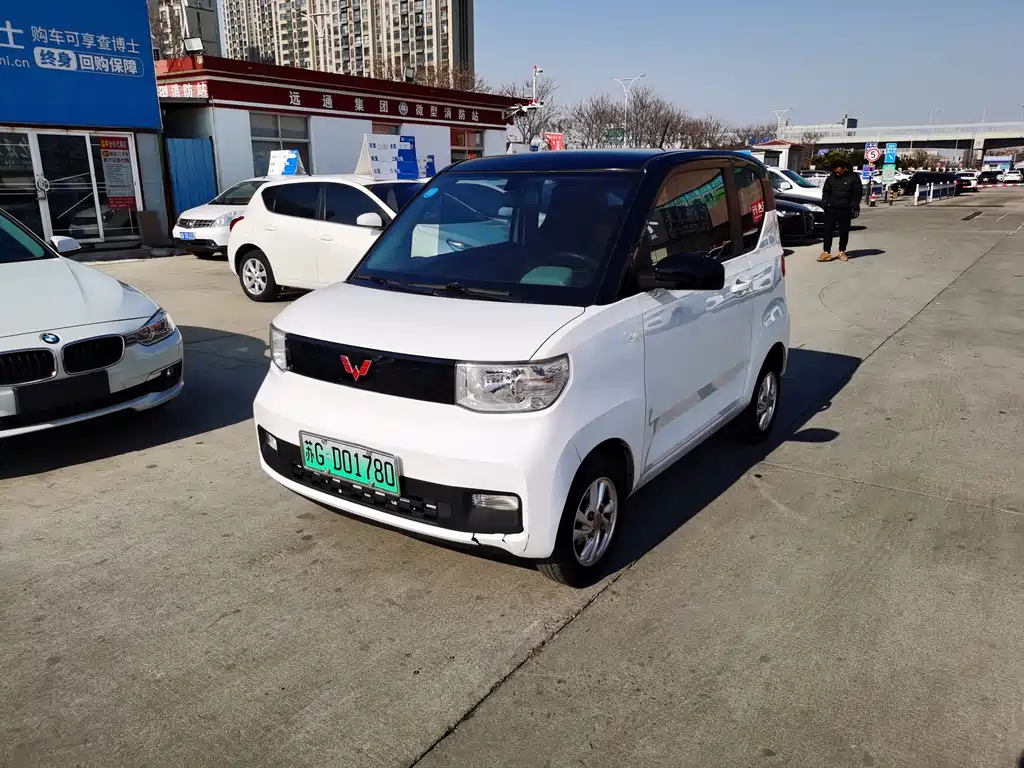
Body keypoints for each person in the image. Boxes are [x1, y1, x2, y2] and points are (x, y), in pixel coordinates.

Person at [818, 161, 863, 262]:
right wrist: (825, 204)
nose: (837, 174)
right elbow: (826, 192)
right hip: (831, 208)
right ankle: (826, 252)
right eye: (835, 172)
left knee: (844, 231)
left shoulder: (853, 177)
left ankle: (842, 251)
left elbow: (858, 192)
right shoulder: (830, 178)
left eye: (839, 172)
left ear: (844, 168)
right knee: (828, 231)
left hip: (846, 208)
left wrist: (854, 205)